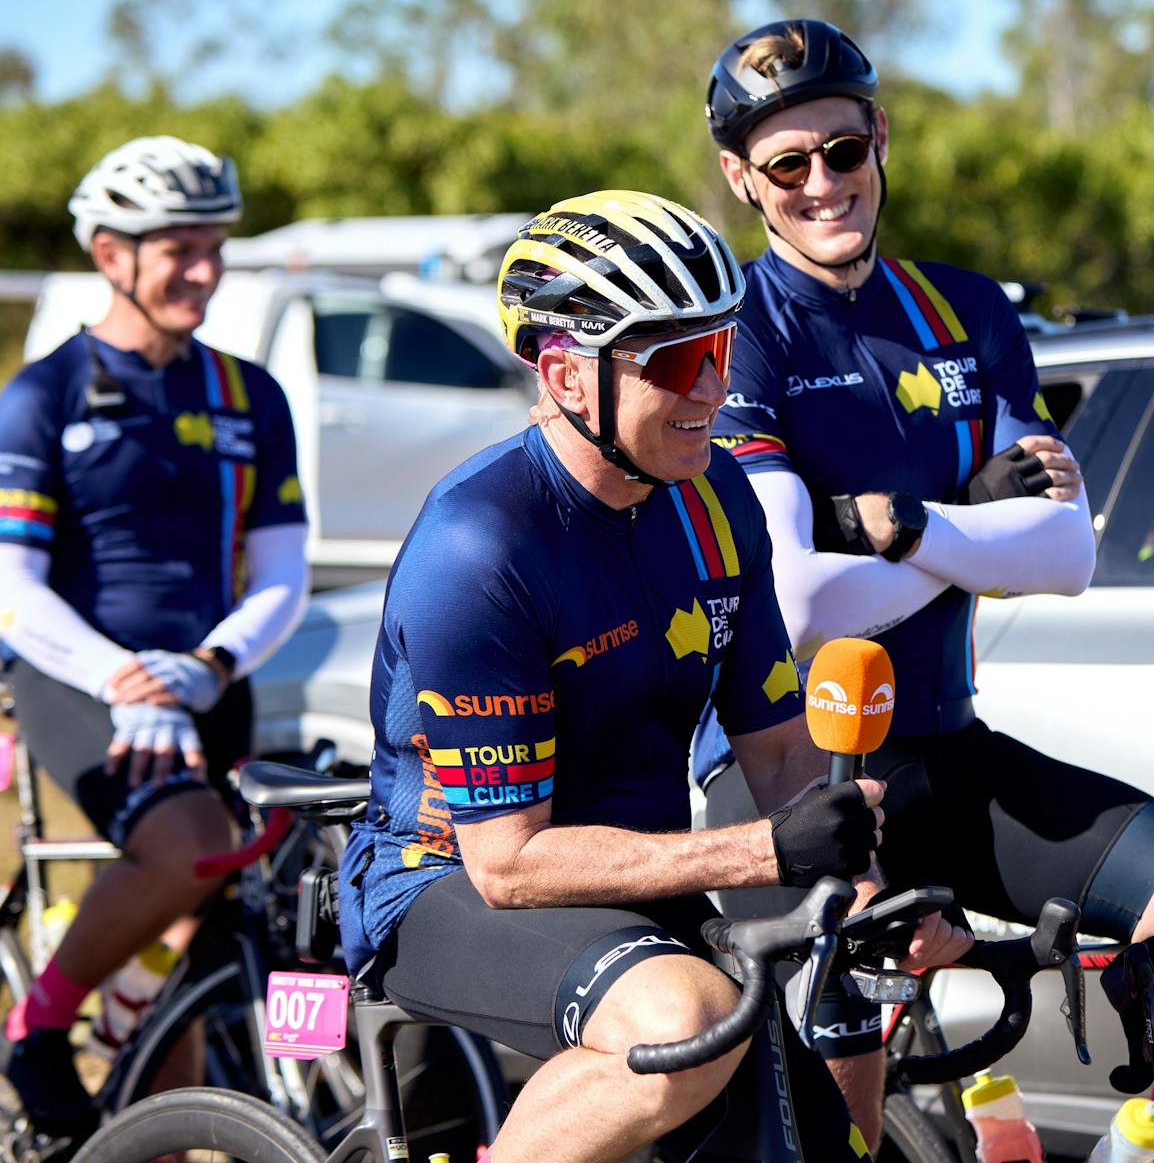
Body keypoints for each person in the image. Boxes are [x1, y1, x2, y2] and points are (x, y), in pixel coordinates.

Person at [698, 19, 1154, 1154]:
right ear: (744, 179)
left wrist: (905, 524)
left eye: (842, 149)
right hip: (795, 780)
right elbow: (798, 604)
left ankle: (1146, 1147)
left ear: (881, 138)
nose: (822, 183)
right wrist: (973, 523)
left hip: (950, 745)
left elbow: (1064, 555)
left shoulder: (966, 312)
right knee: (848, 1131)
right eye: (787, 165)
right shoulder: (744, 333)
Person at [336, 190, 969, 1163]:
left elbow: (776, 747)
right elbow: (506, 864)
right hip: (447, 880)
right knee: (681, 1024)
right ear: (566, 375)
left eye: (723, 349)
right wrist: (761, 853)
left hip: (633, 882)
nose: (712, 389)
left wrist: (876, 887)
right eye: (677, 361)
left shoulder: (716, 499)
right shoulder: (481, 545)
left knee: (827, 1147)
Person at [0, 135, 310, 1141]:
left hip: (210, 677)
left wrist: (207, 666)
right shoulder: (44, 394)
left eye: (214, 245)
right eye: (179, 249)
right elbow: (11, 583)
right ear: (108, 254)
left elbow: (284, 576)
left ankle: (150, 1103)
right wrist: (128, 680)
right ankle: (39, 1027)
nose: (207, 271)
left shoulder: (247, 394)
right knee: (188, 849)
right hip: (83, 681)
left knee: (221, 919)